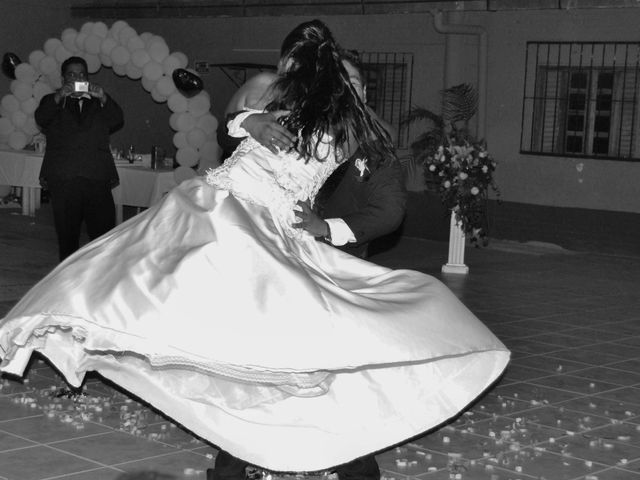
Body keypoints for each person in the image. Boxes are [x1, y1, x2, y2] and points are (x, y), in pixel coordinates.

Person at [0, 19, 509, 475]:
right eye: (295, 60)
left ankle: (305, 437)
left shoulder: (356, 126)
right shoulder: (268, 86)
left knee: (277, 320)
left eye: (321, 67)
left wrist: (327, 226)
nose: (298, 70)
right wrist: (253, 122)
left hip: (282, 225)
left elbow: (387, 199)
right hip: (224, 201)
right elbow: (226, 124)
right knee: (153, 279)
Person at [210, 51, 405, 480]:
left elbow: (390, 212)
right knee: (265, 359)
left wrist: (326, 227)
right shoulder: (300, 119)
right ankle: (234, 462)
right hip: (277, 260)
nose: (344, 88)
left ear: (365, 91)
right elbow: (232, 142)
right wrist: (251, 123)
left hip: (336, 268)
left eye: (353, 81)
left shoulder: (376, 141)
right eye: (338, 81)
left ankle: (354, 466)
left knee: (330, 371)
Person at [35, 56, 124, 261]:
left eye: (82, 74)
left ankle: (101, 278)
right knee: (67, 235)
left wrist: (103, 97)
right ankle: (67, 279)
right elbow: (42, 118)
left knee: (103, 234)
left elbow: (117, 119)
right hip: (64, 178)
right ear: (63, 78)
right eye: (72, 74)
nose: (77, 77)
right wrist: (59, 96)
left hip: (97, 176)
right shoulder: (52, 101)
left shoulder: (99, 102)